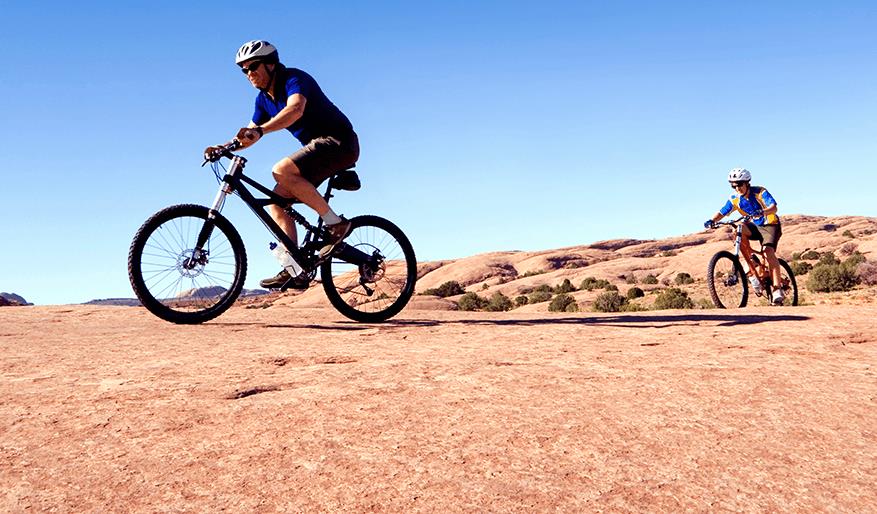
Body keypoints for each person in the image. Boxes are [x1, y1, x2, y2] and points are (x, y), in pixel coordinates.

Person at [205, 40, 360, 289]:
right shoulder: (262, 100)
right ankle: (295, 268)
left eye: (253, 66)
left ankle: (336, 224)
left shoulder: (294, 79)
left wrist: (261, 131)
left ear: (271, 64)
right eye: (243, 70)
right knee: (276, 203)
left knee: (281, 170)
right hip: (318, 149)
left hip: (339, 142)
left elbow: (295, 109)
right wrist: (223, 147)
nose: (249, 73)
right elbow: (249, 134)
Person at [704, 168, 785, 305]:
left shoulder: (760, 192)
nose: (737, 188)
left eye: (740, 184)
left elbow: (774, 207)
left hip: (770, 225)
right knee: (738, 230)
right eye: (733, 186)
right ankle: (752, 268)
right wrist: (712, 220)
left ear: (747, 183)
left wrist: (762, 212)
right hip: (754, 226)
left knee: (767, 251)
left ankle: (777, 289)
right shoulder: (735, 199)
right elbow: (722, 212)